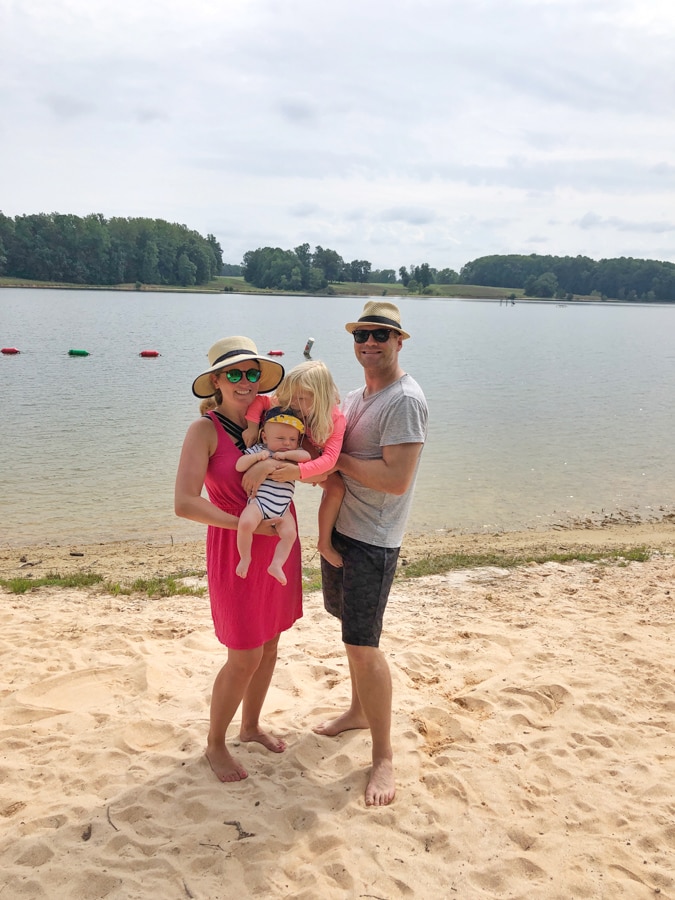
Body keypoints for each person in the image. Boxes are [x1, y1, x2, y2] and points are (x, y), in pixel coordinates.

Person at [312, 301, 428, 807]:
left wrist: (338, 462)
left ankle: (383, 756)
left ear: (400, 341)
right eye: (362, 335)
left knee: (364, 644)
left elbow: (396, 480)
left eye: (381, 335)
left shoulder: (405, 401)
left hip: (373, 540)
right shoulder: (357, 397)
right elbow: (331, 457)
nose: (370, 343)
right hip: (342, 532)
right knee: (350, 633)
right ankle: (358, 711)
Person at [174, 336, 303, 784]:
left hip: (279, 539)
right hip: (238, 545)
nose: (245, 382)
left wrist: (276, 466)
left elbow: (321, 453)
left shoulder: (274, 418)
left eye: (252, 373)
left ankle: (250, 726)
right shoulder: (204, 430)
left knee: (270, 643)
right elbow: (185, 503)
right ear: (216, 381)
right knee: (244, 654)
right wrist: (242, 525)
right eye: (234, 373)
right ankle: (215, 743)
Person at [243, 360, 347, 567]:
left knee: (336, 488)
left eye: (300, 398)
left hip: (311, 455)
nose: (291, 403)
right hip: (294, 445)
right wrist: (252, 426)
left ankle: (324, 543)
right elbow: (260, 402)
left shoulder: (335, 420)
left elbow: (329, 460)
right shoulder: (290, 402)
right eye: (290, 396)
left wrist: (298, 472)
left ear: (319, 398)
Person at [235, 407, 310, 585]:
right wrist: (257, 458)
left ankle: (276, 564)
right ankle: (245, 557)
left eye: (292, 439)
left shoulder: (292, 454)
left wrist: (285, 455)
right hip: (259, 503)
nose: (287, 443)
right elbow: (239, 465)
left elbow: (306, 456)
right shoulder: (259, 450)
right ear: (265, 437)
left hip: (283, 508)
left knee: (290, 534)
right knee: (245, 524)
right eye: (281, 438)